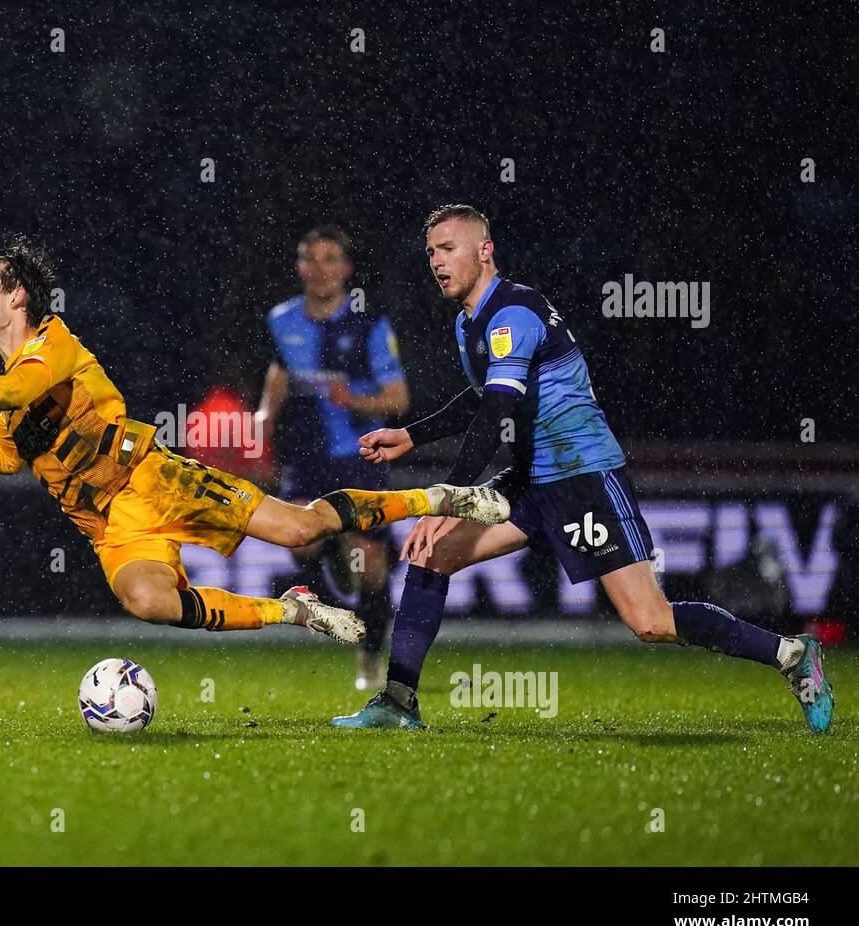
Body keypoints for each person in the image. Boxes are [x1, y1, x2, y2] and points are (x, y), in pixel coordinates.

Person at [333, 204, 834, 733]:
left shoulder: (514, 314)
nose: (437, 260)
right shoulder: (470, 322)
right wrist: (412, 434)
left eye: (449, 248)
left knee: (651, 622)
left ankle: (791, 654)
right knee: (431, 554)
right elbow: (482, 399)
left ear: (485, 251)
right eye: (431, 251)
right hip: (531, 478)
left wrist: (448, 497)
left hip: (582, 476)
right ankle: (398, 701)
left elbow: (498, 411)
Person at [0, 234, 508, 641]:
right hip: (110, 525)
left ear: (18, 295)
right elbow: (7, 451)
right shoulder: (16, 381)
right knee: (150, 602)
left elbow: (8, 394)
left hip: (155, 480)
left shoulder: (53, 346)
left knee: (302, 530)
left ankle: (440, 497)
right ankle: (295, 611)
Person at [257, 226, 409, 688]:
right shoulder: (281, 319)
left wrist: (355, 402)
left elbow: (399, 400)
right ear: (299, 267)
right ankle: (335, 561)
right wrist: (264, 418)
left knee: (372, 567)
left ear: (346, 269)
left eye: (330, 259)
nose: (319, 269)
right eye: (310, 259)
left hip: (360, 458)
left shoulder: (370, 324)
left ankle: (369, 658)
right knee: (298, 542)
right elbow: (280, 370)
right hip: (306, 455)